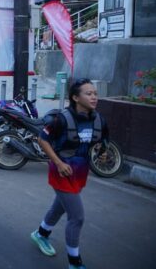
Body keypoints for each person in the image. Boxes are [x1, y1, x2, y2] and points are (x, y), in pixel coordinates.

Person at [30, 79, 108, 269]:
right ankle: (75, 263)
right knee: (77, 217)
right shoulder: (61, 119)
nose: (94, 97)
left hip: (80, 173)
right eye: (88, 93)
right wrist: (58, 163)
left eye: (95, 93)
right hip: (61, 172)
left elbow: (103, 140)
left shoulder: (99, 119)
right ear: (75, 97)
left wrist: (103, 152)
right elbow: (43, 139)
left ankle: (41, 234)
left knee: (60, 207)